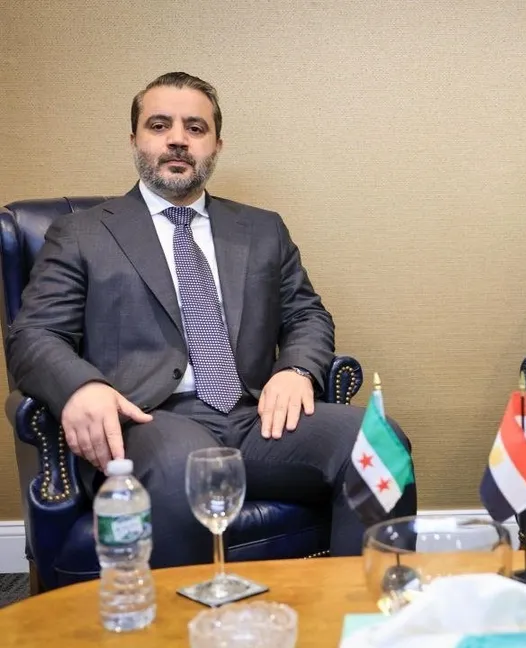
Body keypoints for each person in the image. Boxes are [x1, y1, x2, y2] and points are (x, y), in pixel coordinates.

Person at [6, 72, 416, 566]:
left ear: (216, 145)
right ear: (134, 139)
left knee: (379, 443)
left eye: (195, 128)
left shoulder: (262, 229)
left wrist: (296, 369)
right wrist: (81, 387)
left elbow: (307, 313)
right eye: (160, 125)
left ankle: (366, 605)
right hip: (148, 422)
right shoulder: (80, 233)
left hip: (254, 417)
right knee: (185, 465)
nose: (178, 139)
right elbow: (34, 334)